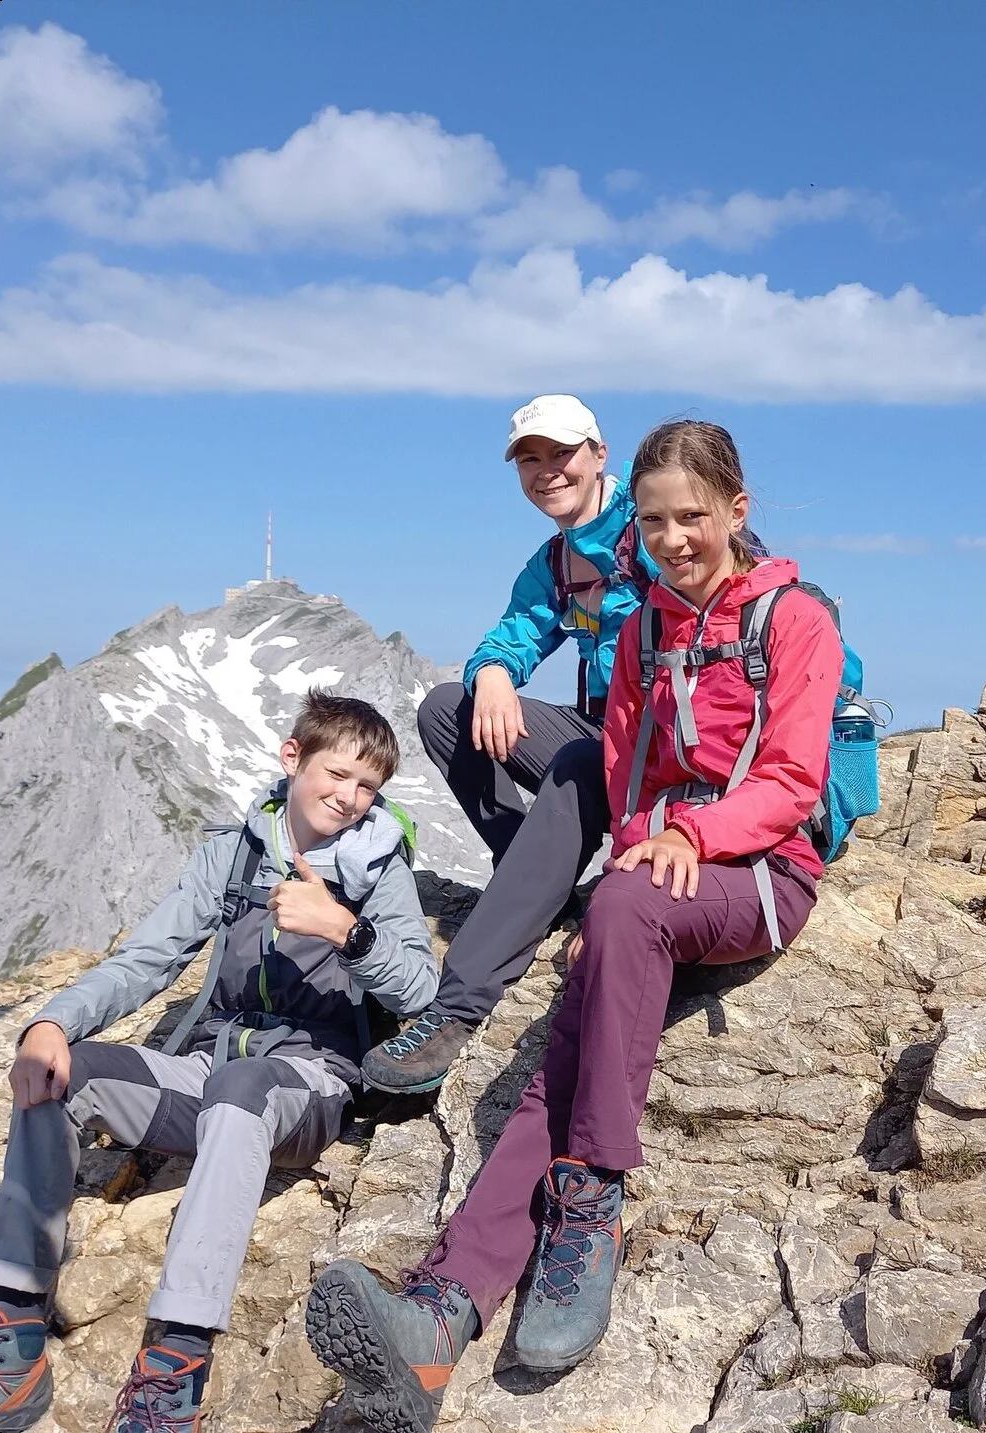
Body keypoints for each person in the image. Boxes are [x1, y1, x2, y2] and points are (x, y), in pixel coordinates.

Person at [306, 420, 845, 1433]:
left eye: (695, 516)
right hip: (657, 883)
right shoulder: (642, 634)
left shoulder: (795, 620)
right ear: (633, 526)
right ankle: (439, 1314)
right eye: (656, 520)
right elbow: (627, 784)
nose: (676, 537)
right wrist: (645, 847)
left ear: (737, 510)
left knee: (623, 911)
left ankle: (590, 1199)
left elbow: (789, 783)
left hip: (764, 875)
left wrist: (688, 835)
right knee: (571, 1041)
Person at [0, 690, 436, 1433]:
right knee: (66, 1074)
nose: (351, 798)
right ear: (291, 758)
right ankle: (14, 1310)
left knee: (239, 1088)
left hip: (312, 1081)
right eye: (337, 774)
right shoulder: (231, 854)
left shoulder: (379, 871)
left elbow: (423, 991)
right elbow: (145, 960)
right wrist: (49, 1021)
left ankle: (176, 1362)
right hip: (208, 1074)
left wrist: (346, 930)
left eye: (368, 787)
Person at [362, 394, 654, 1096]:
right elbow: (515, 630)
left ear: (599, 453)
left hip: (670, 743)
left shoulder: (650, 525)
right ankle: (539, 883)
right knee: (446, 711)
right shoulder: (556, 562)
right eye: (531, 459)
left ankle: (458, 1007)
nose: (548, 471)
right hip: (607, 733)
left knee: (582, 762)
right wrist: (492, 672)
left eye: (562, 454)